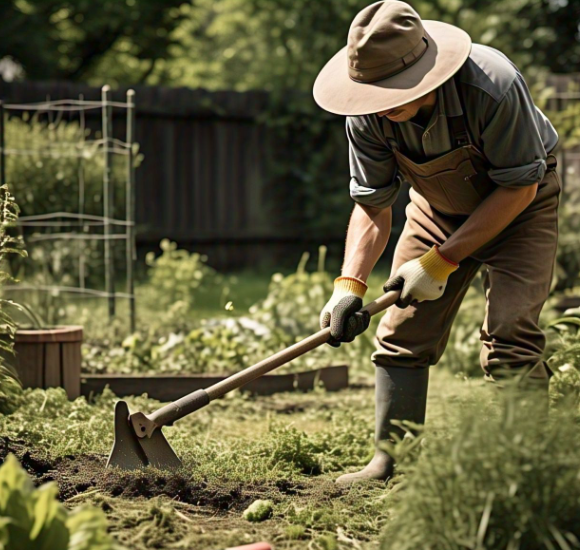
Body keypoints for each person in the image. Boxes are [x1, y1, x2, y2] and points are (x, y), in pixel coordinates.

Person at [314, 0, 560, 485]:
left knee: (511, 332)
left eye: (392, 92)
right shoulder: (365, 111)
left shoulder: (492, 85)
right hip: (437, 207)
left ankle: (524, 472)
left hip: (521, 202)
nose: (381, 105)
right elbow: (373, 204)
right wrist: (349, 285)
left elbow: (519, 186)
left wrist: (441, 261)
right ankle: (391, 462)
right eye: (373, 94)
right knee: (401, 332)